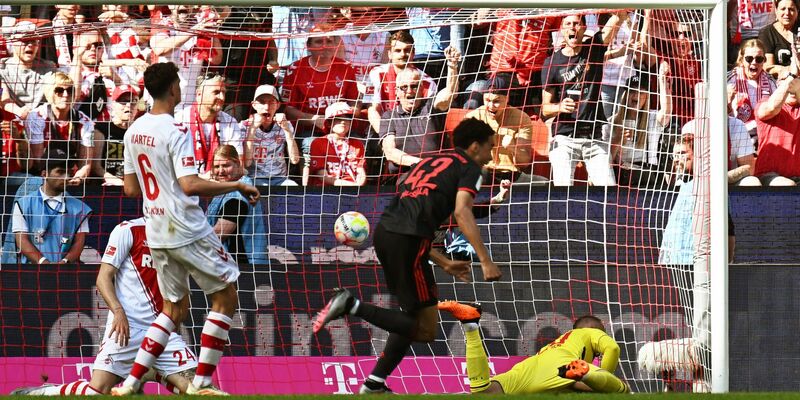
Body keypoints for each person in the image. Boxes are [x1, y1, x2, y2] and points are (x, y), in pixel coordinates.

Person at [313, 118, 502, 394]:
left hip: (387, 234)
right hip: (408, 241)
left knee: (410, 315)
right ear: (475, 146)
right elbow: (462, 213)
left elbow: (413, 215)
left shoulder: (427, 163)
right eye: (489, 147)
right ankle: (351, 305)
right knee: (425, 330)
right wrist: (485, 260)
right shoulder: (470, 168)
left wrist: (444, 261)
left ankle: (374, 383)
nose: (490, 155)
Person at [113, 62, 260, 396]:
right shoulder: (176, 132)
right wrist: (237, 184)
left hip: (156, 230)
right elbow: (191, 185)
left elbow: (131, 190)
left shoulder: (133, 131)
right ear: (174, 89)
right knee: (225, 296)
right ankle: (203, 382)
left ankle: (132, 383)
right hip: (186, 227)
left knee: (173, 309)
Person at [10, 218, 197, 395]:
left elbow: (182, 294)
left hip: (161, 331)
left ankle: (150, 370)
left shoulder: (181, 239)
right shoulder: (128, 230)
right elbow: (103, 278)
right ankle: (46, 391)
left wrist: (172, 327)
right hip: (126, 329)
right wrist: (118, 312)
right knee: (97, 391)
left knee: (197, 389)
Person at [638, 133, 710, 393]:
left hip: (698, 258)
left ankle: (701, 374)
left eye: (683, 154)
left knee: (704, 323)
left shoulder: (705, 183)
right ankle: (694, 373)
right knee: (695, 321)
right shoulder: (681, 182)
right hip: (679, 257)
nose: (677, 159)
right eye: (675, 154)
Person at [438, 305, 629, 394]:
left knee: (483, 391)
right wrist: (608, 381)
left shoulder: (561, 341)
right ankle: (603, 382)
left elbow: (571, 383)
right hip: (562, 365)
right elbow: (612, 348)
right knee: (621, 388)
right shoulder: (589, 331)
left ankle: (471, 326)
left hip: (532, 366)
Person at [541, 12, 625, 186]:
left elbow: (618, 17)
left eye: (577, 23)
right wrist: (560, 107)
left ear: (584, 28)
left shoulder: (594, 48)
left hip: (594, 136)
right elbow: (545, 109)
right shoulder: (551, 62)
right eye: (568, 24)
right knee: (562, 192)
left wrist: (623, 11)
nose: (573, 27)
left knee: (609, 191)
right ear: (562, 29)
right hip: (564, 137)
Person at [379, 46, 461, 180]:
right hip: (406, 175)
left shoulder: (431, 106)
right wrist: (421, 164)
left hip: (438, 173)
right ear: (397, 91)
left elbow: (450, 94)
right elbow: (390, 152)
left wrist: (452, 65)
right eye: (404, 87)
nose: (409, 91)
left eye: (414, 86)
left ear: (422, 88)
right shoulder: (389, 116)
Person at [6, 148, 91, 265]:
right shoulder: (23, 204)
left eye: (68, 172)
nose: (66, 177)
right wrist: (43, 262)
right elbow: (21, 240)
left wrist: (65, 262)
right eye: (60, 172)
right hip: (31, 273)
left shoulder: (80, 208)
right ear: (44, 174)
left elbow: (79, 242)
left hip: (66, 273)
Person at [24, 71, 94, 185]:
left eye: (70, 90)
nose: (66, 95)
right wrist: (58, 177)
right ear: (50, 93)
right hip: (42, 176)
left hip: (71, 177)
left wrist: (78, 178)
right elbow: (38, 161)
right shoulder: (36, 117)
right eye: (59, 91)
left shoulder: (85, 121)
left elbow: (85, 164)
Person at [609, 63, 672, 188]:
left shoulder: (652, 118)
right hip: (625, 179)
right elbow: (607, 161)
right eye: (632, 91)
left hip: (649, 179)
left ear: (647, 97)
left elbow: (666, 111)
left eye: (641, 92)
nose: (636, 95)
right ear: (625, 95)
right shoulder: (612, 122)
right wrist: (617, 141)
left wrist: (662, 80)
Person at [465, 75, 534, 184]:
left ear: (507, 99)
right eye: (487, 100)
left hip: (511, 175)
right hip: (482, 172)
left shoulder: (522, 118)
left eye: (497, 101)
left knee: (543, 183)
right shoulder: (473, 117)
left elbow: (524, 162)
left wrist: (513, 147)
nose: (491, 106)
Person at [207, 145, 269, 265]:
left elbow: (217, 236)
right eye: (216, 166)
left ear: (238, 163)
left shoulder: (237, 197)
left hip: (244, 268)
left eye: (226, 165)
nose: (220, 171)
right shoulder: (228, 188)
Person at [175, 72, 245, 175]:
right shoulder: (179, 119)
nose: (222, 97)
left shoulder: (230, 122)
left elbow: (239, 163)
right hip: (187, 182)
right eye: (216, 92)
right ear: (199, 94)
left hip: (221, 181)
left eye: (223, 92)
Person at [241, 84, 300, 186]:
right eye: (262, 102)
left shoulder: (285, 124)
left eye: (271, 102)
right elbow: (247, 163)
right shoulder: (244, 126)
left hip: (280, 179)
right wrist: (252, 129)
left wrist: (287, 130)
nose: (267, 107)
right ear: (254, 105)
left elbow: (295, 160)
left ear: (278, 105)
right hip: (255, 178)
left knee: (293, 186)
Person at [754, 67, 800, 185]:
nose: (791, 84)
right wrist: (792, 76)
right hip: (769, 175)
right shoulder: (764, 103)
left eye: (797, 80)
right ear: (778, 83)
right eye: (787, 79)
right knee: (788, 185)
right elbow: (771, 109)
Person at [727, 39, 777, 147]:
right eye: (749, 58)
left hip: (764, 136)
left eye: (759, 59)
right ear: (742, 59)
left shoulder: (770, 81)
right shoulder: (729, 79)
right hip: (736, 136)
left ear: (764, 61)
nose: (754, 62)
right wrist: (728, 104)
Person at [306, 102, 367, 186]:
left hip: (353, 189)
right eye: (338, 118)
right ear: (329, 123)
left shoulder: (357, 144)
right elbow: (322, 175)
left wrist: (358, 185)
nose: (343, 122)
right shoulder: (319, 143)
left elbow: (360, 172)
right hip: (326, 190)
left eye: (347, 118)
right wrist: (352, 186)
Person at [91, 85, 140, 186]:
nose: (128, 105)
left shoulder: (140, 131)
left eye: (133, 101)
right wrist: (115, 180)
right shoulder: (101, 129)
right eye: (123, 101)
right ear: (113, 105)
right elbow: (95, 166)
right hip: (106, 187)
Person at [759, 0, 799, 79]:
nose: (787, 13)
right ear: (776, 11)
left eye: (791, 9)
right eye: (783, 9)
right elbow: (768, 67)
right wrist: (790, 70)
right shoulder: (767, 33)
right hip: (778, 81)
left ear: (797, 12)